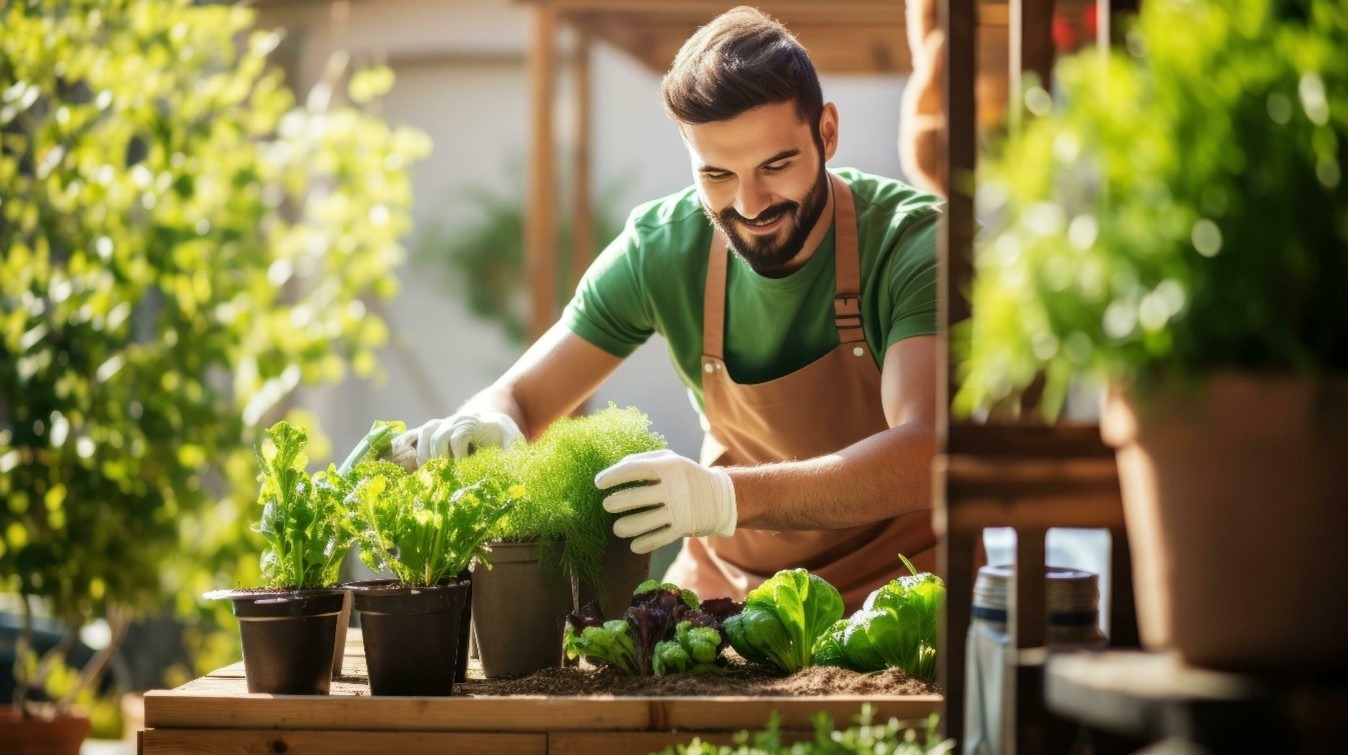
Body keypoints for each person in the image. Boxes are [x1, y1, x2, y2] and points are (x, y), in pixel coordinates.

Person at [392, 5, 943, 612]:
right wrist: (488, 422)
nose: (750, 202)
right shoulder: (663, 247)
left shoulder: (911, 245)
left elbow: (927, 453)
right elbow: (519, 398)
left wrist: (721, 498)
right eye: (717, 174)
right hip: (731, 594)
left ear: (827, 133)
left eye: (775, 165)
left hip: (899, 600)